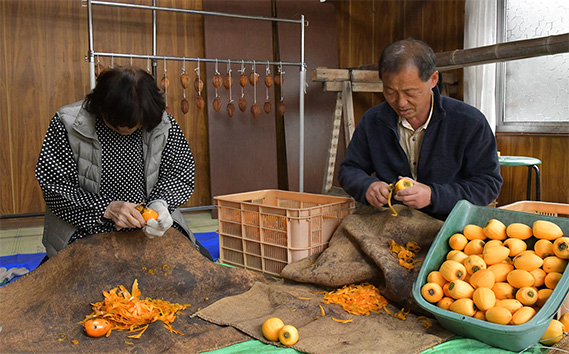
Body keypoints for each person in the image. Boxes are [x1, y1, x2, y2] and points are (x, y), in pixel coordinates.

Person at [35, 66, 212, 260]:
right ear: (100, 106)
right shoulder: (67, 124)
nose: (127, 129)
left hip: (148, 226)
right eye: (117, 124)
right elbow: (54, 187)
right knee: (92, 278)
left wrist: (161, 203)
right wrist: (106, 209)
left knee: (197, 264)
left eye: (136, 124)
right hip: (87, 226)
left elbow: (180, 173)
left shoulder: (162, 122)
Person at [338, 39, 502, 220]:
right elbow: (349, 169)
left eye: (410, 92)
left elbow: (488, 184)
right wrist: (367, 186)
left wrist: (433, 195)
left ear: (433, 79)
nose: (400, 103)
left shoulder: (470, 122)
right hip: (389, 220)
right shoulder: (373, 121)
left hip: (449, 223)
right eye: (390, 92)